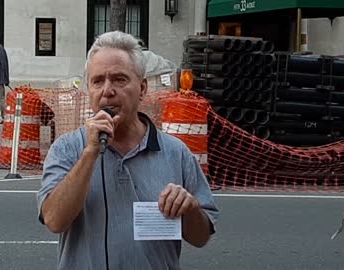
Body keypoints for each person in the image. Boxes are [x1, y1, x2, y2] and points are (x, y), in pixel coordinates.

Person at [37, 31, 219, 270]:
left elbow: (201, 237)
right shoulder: (67, 149)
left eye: (120, 79)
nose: (107, 90)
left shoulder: (176, 153)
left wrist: (190, 208)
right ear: (89, 90)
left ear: (142, 88)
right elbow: (54, 221)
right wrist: (90, 153)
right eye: (98, 81)